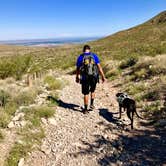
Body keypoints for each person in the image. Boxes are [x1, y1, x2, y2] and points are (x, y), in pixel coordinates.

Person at [76, 45, 106, 114]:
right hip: (94, 77)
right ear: (89, 49)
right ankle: (92, 104)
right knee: (93, 90)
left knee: (86, 93)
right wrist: (103, 77)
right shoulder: (94, 56)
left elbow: (77, 69)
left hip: (85, 78)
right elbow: (99, 67)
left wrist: (77, 77)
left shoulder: (81, 57)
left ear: (83, 50)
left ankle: (85, 109)